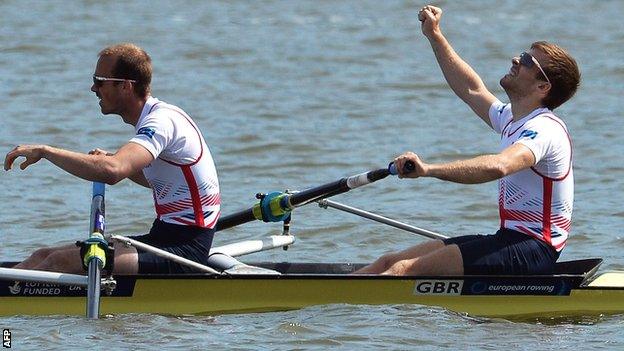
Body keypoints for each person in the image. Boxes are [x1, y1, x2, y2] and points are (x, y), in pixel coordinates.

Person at [356, 5, 580, 276]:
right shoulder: (512, 118)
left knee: (404, 270)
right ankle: (329, 303)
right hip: (509, 238)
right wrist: (434, 35)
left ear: (543, 87)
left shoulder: (545, 130)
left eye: (527, 61)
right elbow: (472, 89)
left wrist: (428, 170)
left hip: (534, 249)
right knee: (388, 262)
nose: (515, 59)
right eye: (522, 55)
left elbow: (499, 166)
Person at [4, 43, 221, 274]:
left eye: (100, 81)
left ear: (126, 86)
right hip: (164, 237)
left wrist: (46, 152)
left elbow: (112, 171)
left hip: (185, 251)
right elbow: (158, 180)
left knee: (58, 263)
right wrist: (109, 159)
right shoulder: (156, 118)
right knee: (42, 255)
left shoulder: (161, 122)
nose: (93, 88)